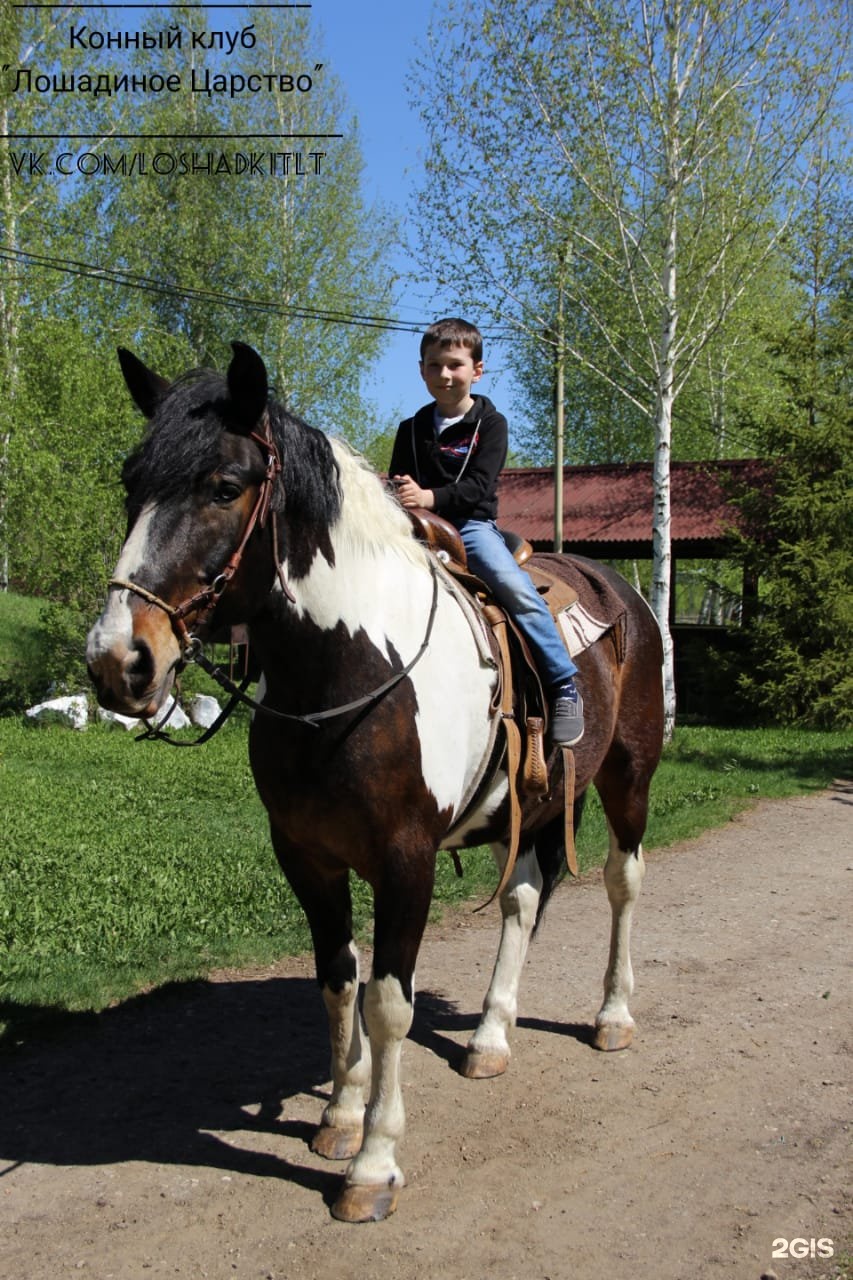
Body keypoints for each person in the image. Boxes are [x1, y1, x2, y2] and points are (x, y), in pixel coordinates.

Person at [390, 317, 584, 747]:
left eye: (455, 365)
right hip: (416, 527)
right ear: (422, 370)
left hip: (470, 527)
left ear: (476, 370)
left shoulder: (490, 425)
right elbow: (398, 479)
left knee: (514, 589)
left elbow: (479, 485)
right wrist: (399, 492)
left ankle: (563, 683)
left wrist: (428, 498)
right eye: (434, 365)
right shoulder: (411, 429)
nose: (444, 374)